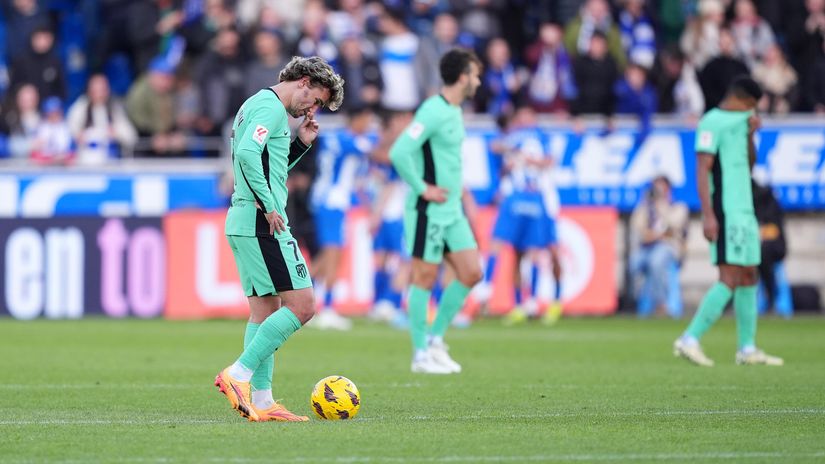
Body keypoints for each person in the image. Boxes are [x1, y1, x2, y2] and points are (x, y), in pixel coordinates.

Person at [214, 56, 344, 422]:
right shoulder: (270, 108)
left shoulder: (259, 105)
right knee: (303, 306)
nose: (312, 108)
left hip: (244, 219)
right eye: (315, 99)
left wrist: (300, 143)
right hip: (261, 222)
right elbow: (246, 154)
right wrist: (269, 205)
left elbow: (267, 165)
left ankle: (263, 399)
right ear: (303, 82)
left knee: (264, 311)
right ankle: (237, 374)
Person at [673, 76, 783, 367]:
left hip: (745, 210)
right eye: (752, 106)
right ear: (741, 100)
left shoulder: (742, 124)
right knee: (730, 276)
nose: (753, 112)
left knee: (749, 275)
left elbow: (749, 165)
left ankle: (747, 348)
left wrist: (750, 135)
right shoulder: (712, 122)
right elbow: (702, 169)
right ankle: (689, 338)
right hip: (725, 210)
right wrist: (708, 215)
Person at [389, 48, 484, 374]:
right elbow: (400, 151)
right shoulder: (432, 110)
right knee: (425, 278)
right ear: (463, 77)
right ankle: (420, 355)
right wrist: (422, 188)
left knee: (472, 272)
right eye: (475, 75)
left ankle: (435, 340)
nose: (478, 81)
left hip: (452, 211)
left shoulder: (455, 111)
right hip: (428, 210)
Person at [478, 108, 564, 326]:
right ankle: (519, 303)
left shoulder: (542, 138)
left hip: (545, 203)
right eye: (521, 117)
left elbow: (549, 160)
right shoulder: (512, 138)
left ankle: (555, 300)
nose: (524, 120)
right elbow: (496, 149)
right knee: (517, 252)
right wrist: (513, 154)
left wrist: (527, 158)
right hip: (519, 199)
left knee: (551, 252)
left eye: (528, 116)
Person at [308, 105, 374, 331]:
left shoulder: (335, 139)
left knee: (326, 256)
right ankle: (327, 308)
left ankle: (299, 302)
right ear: (357, 119)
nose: (368, 125)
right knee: (333, 255)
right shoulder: (350, 140)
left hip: (327, 200)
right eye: (367, 120)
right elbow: (380, 154)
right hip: (332, 201)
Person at [628, 175, 689, 317]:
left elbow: (674, 225)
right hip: (647, 247)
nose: (657, 191)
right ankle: (635, 302)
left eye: (660, 187)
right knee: (634, 263)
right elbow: (638, 228)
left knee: (656, 261)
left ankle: (661, 304)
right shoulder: (646, 207)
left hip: (669, 247)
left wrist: (661, 204)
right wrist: (645, 204)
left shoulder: (678, 207)